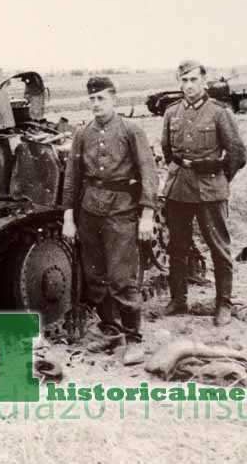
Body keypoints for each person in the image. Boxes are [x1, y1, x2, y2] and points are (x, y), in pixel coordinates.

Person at [62, 76, 158, 357]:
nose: (96, 104)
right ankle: (110, 332)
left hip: (121, 211)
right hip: (89, 212)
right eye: (92, 99)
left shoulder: (131, 130)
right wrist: (69, 217)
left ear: (113, 99)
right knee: (96, 279)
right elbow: (72, 178)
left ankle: (133, 339)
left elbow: (148, 173)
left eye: (101, 98)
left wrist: (147, 214)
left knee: (121, 278)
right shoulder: (82, 134)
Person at [160, 60, 247, 326]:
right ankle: (178, 300)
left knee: (218, 248)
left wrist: (220, 178)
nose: (188, 86)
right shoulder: (171, 112)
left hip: (210, 189)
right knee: (177, 246)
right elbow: (167, 151)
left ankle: (223, 304)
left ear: (204, 81)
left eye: (193, 80)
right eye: (184, 81)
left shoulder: (219, 113)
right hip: (179, 190)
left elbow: (238, 154)